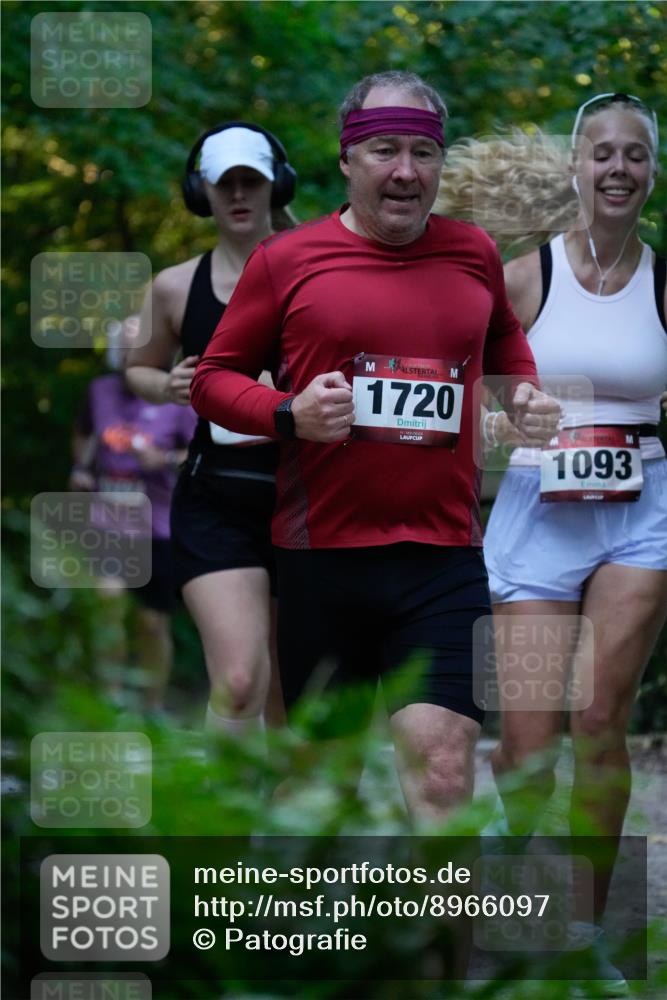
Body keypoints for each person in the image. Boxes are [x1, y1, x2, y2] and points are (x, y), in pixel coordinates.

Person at [190, 71, 560, 826]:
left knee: (445, 770)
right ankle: (324, 941)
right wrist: (287, 413)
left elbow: (502, 340)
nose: (405, 171)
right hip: (320, 559)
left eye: (423, 153)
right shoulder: (287, 260)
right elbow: (213, 380)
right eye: (384, 150)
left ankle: (443, 950)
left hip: (442, 559)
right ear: (347, 160)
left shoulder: (471, 252)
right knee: (322, 792)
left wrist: (519, 391)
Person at [471, 93, 666, 994]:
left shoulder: (663, 280)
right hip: (537, 504)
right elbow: (462, 386)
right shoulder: (521, 277)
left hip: (640, 503)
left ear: (650, 171)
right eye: (602, 154)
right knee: (528, 741)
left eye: (635, 155)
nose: (618, 169)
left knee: (597, 723)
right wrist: (512, 419)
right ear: (576, 168)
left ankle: (584, 932)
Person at [126, 123, 297, 736]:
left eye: (252, 180)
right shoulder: (174, 287)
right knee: (240, 681)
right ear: (202, 192)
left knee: (288, 694)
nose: (240, 195)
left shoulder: (321, 273)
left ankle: (278, 829)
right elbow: (137, 370)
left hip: (310, 499)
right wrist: (167, 385)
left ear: (277, 183)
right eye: (225, 184)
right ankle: (214, 829)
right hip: (217, 499)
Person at [69, 316, 196, 712]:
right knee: (107, 605)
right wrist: (81, 470)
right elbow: (83, 433)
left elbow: (197, 456)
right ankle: (109, 701)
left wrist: (162, 458)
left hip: (157, 524)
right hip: (108, 520)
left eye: (138, 346)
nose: (130, 353)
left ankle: (152, 706)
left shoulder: (176, 399)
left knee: (151, 622)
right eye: (124, 347)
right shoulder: (100, 391)